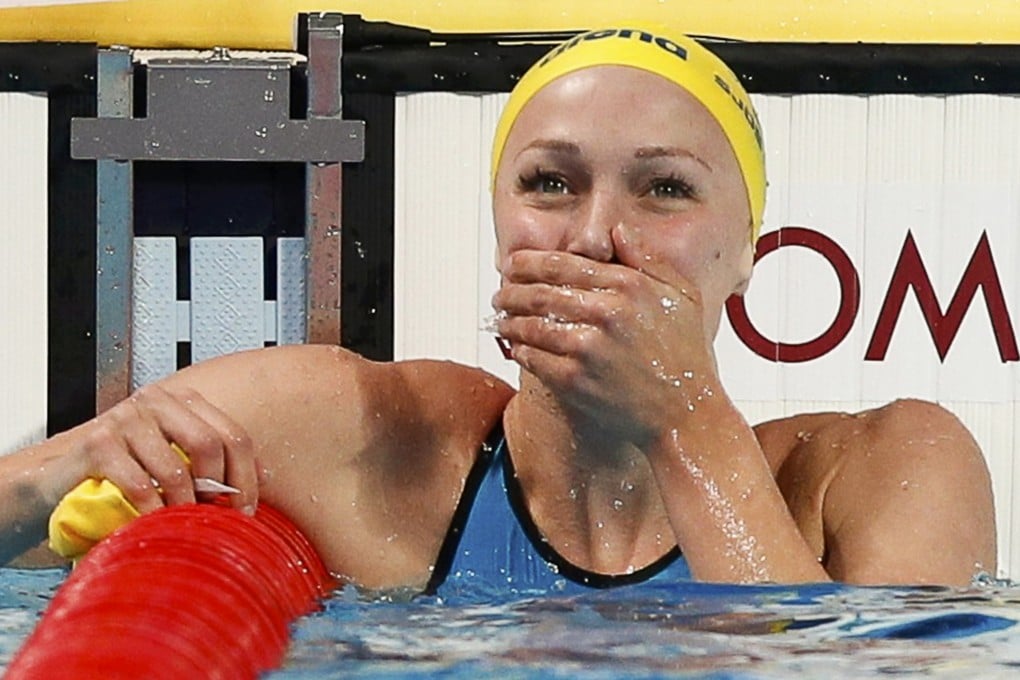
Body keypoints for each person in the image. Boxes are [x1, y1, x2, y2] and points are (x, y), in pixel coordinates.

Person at [0, 26, 996, 590]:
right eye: (551, 184)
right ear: (499, 226)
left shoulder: (883, 469)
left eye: (666, 189)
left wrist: (684, 418)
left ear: (747, 257)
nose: (598, 234)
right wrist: (64, 474)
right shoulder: (365, 441)